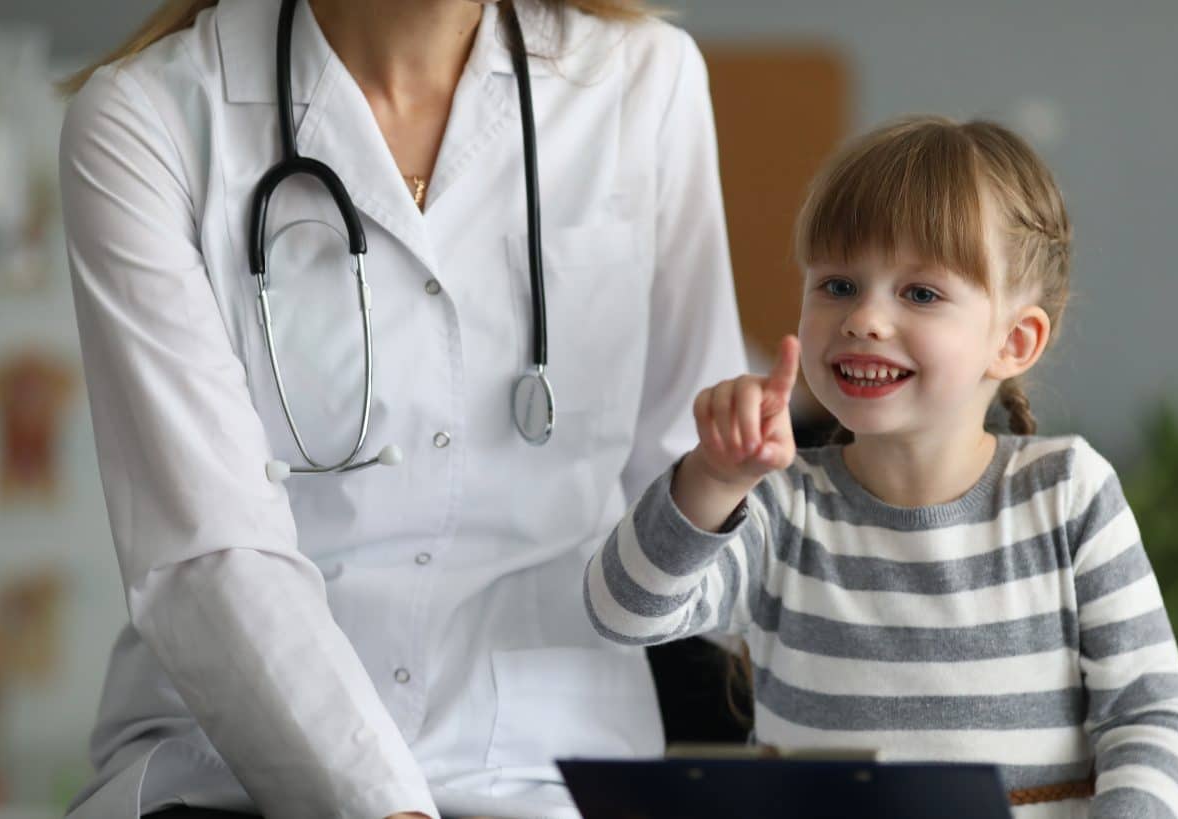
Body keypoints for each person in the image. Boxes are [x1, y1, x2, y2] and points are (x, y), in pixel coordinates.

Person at [57, 0, 747, 815]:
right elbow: (209, 553)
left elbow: (692, 493)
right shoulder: (149, 119)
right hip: (231, 776)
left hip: (548, 770)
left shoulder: (643, 80)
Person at [585, 116, 1178, 818]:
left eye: (920, 293)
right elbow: (621, 612)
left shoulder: (1067, 494)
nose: (864, 319)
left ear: (1014, 340)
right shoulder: (782, 509)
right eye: (839, 285)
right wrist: (713, 479)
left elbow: (1149, 716)